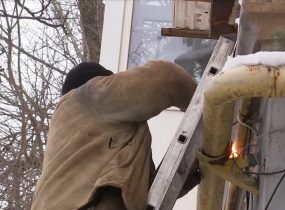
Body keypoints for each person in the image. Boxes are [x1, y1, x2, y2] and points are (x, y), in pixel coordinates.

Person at [31, 61, 198, 210]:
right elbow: (166, 78)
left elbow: (149, 192)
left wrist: (197, 158)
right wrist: (207, 103)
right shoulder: (88, 95)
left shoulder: (83, 144)